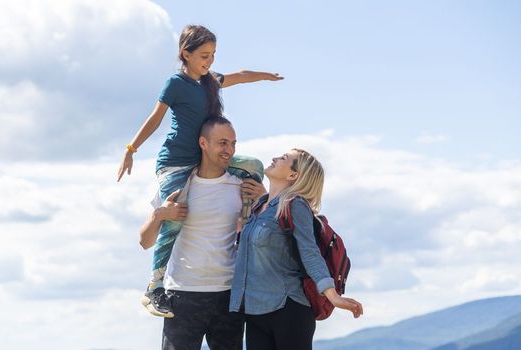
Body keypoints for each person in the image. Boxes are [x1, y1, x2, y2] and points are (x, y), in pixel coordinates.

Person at [118, 24, 283, 318]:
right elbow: (155, 119)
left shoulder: (209, 81)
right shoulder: (175, 84)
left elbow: (239, 76)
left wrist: (264, 76)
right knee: (177, 210)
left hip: (204, 156)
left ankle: (245, 220)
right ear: (186, 53)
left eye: (213, 54)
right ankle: (154, 288)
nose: (210, 61)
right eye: (204, 55)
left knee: (253, 167)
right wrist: (131, 149)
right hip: (176, 161)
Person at [140, 117, 264, 350]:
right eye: (223, 143)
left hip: (229, 296)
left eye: (233, 144)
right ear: (203, 143)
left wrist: (263, 197)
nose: (229, 150)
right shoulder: (177, 185)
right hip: (182, 295)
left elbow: (263, 232)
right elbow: (144, 241)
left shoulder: (241, 186)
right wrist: (160, 215)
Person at [229, 149, 364, 350]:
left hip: (288, 309)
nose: (275, 158)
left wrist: (333, 296)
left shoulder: (295, 205)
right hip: (254, 311)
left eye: (283, 158)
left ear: (293, 175)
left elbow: (310, 252)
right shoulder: (259, 206)